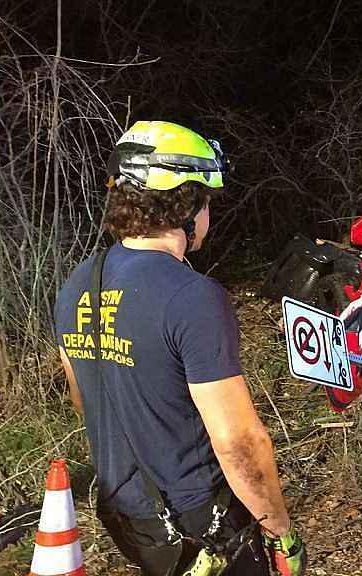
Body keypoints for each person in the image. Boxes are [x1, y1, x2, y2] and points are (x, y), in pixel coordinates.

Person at [54, 121, 306, 576]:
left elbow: (83, 399)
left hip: (132, 517)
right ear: (186, 204)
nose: (208, 216)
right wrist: (279, 530)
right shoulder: (192, 295)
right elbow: (240, 443)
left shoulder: (76, 285)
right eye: (206, 202)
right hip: (201, 522)